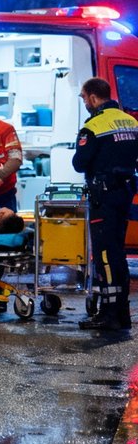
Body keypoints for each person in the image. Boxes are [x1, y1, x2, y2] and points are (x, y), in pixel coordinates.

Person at [73, 77, 138, 331]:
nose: (84, 102)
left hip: (103, 197)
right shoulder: (131, 122)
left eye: (83, 97)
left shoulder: (94, 126)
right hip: (124, 195)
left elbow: (79, 163)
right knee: (118, 253)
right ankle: (121, 313)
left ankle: (109, 314)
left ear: (92, 97)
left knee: (104, 255)